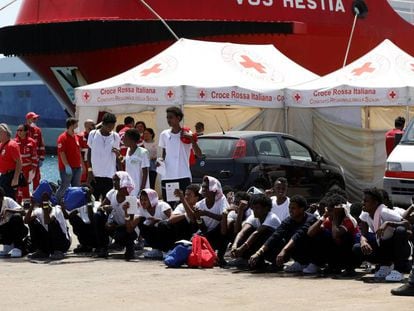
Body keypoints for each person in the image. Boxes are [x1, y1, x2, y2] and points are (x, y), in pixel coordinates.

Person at [353, 188, 412, 282]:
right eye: (363, 200)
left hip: (400, 248)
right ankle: (385, 265)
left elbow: (406, 224)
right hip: (384, 246)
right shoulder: (365, 213)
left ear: (375, 203)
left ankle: (398, 270)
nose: (362, 203)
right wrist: (363, 241)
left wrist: (388, 223)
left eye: (366, 201)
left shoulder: (385, 212)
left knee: (400, 230)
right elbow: (363, 233)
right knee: (358, 247)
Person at [249, 195, 317, 272]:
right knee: (277, 237)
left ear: (302, 209)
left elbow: (298, 235)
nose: (290, 210)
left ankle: (314, 263)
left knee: (304, 236)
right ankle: (300, 262)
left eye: (293, 208)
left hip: (311, 251)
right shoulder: (288, 220)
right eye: (289, 208)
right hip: (297, 253)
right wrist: (258, 253)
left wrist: (284, 250)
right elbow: (275, 235)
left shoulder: (311, 219)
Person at [307, 194, 360, 275]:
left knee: (345, 237)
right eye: (328, 210)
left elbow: (336, 235)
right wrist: (323, 216)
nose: (329, 213)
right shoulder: (329, 219)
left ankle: (349, 268)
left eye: (331, 211)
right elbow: (310, 233)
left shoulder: (349, 220)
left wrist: (335, 216)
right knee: (320, 234)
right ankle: (332, 266)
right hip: (339, 252)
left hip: (353, 255)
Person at [159, 106, 201, 205]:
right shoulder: (164, 134)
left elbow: (199, 154)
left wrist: (192, 139)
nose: (169, 120)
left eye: (171, 117)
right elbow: (164, 154)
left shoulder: (187, 133)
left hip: (183, 175)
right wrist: (160, 162)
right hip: (168, 176)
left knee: (185, 204)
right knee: (169, 204)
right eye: (167, 118)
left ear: (178, 118)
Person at [94, 171, 139, 260]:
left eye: (117, 180)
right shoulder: (112, 193)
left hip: (128, 227)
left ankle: (130, 249)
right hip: (114, 224)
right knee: (98, 216)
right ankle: (103, 247)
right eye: (113, 180)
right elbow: (100, 207)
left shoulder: (131, 198)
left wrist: (115, 226)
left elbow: (131, 223)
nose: (114, 182)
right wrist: (105, 209)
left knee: (126, 232)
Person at [229, 194, 281, 267]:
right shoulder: (253, 217)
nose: (254, 211)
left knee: (262, 233)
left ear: (266, 208)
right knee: (247, 232)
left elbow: (256, 233)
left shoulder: (272, 217)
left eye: (257, 208)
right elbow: (242, 232)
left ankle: (275, 262)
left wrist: (241, 249)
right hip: (262, 247)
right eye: (253, 208)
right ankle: (247, 259)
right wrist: (235, 245)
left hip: (276, 248)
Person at [24, 191, 71, 260]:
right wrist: (32, 205)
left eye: (45, 203)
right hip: (50, 242)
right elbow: (26, 221)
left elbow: (48, 221)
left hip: (63, 243)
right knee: (32, 222)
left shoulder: (56, 210)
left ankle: (58, 251)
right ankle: (42, 250)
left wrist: (45, 203)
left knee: (53, 223)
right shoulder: (39, 211)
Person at [193, 176, 228, 265]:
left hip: (219, 232)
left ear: (214, 190)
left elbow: (223, 217)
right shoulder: (199, 205)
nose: (204, 189)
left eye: (207, 187)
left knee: (226, 226)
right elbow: (202, 227)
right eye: (203, 187)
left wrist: (206, 213)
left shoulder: (221, 200)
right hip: (207, 233)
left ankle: (220, 256)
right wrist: (198, 218)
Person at [87, 112, 121, 201]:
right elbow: (89, 153)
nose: (111, 129)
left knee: (107, 202)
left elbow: (118, 157)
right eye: (109, 126)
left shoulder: (115, 136)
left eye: (112, 126)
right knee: (93, 200)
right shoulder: (93, 134)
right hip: (95, 175)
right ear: (103, 124)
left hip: (109, 175)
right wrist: (89, 170)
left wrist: (118, 155)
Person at [133, 188, 172, 259]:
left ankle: (166, 250)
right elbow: (133, 224)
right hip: (155, 232)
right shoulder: (141, 209)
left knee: (162, 225)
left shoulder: (162, 205)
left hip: (168, 231)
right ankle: (156, 249)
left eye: (145, 200)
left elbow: (173, 220)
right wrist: (128, 211)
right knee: (142, 222)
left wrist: (158, 220)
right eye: (141, 200)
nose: (142, 202)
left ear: (152, 199)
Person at [61, 186, 98, 253]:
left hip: (97, 234)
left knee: (91, 225)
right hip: (89, 231)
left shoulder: (95, 205)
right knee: (74, 219)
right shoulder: (81, 205)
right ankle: (85, 245)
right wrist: (63, 207)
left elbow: (92, 219)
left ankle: (93, 245)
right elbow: (68, 216)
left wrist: (88, 201)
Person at [56, 118, 82, 203]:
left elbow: (78, 151)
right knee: (65, 185)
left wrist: (81, 165)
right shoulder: (62, 138)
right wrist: (67, 165)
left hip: (77, 167)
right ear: (71, 125)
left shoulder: (76, 137)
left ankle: (73, 202)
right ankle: (57, 201)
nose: (77, 126)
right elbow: (62, 153)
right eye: (76, 124)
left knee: (76, 186)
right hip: (66, 168)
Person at [0, 187, 28, 258]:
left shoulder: (8, 200)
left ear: (2, 197)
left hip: (15, 230)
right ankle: (8, 245)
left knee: (16, 217)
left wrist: (8, 210)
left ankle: (17, 247)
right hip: (3, 231)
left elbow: (23, 212)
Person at [15, 124, 38, 203]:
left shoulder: (31, 142)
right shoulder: (14, 142)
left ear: (26, 131)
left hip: (27, 168)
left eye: (21, 130)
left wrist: (33, 170)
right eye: (18, 130)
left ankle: (26, 204)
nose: (19, 132)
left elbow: (34, 157)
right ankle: (17, 203)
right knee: (17, 187)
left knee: (25, 187)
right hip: (17, 169)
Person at [123, 129, 149, 196]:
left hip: (139, 188)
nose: (123, 140)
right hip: (129, 188)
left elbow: (145, 173)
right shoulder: (127, 150)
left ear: (132, 140)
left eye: (125, 138)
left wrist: (141, 190)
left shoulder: (143, 152)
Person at [0, 123, 22, 200]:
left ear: (6, 133)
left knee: (10, 197)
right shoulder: (2, 145)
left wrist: (15, 178)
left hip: (10, 176)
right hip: (3, 176)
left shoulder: (12, 145)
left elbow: (19, 162)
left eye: (0, 131)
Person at [25, 112, 45, 190]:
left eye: (36, 118)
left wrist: (41, 158)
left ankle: (35, 197)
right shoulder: (22, 130)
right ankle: (24, 198)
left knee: (36, 179)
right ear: (28, 119)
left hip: (35, 160)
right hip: (25, 161)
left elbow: (41, 145)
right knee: (25, 179)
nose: (35, 120)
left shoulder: (38, 130)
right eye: (33, 118)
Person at [77, 119, 95, 183]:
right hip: (84, 163)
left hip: (92, 164)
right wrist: (82, 165)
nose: (94, 126)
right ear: (86, 126)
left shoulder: (95, 136)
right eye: (92, 125)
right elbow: (78, 152)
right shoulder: (80, 137)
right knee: (83, 181)